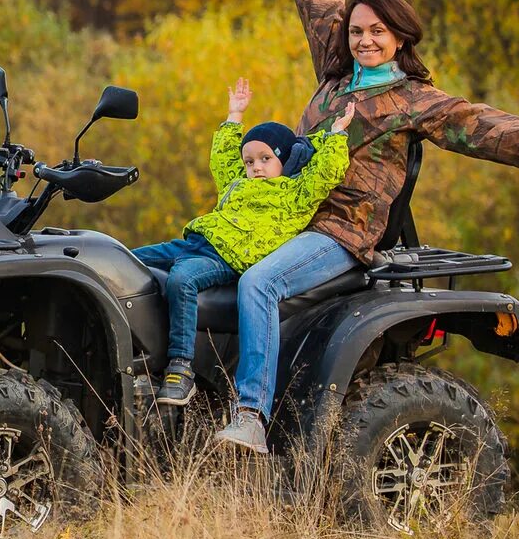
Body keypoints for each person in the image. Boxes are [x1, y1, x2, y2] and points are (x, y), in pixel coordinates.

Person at [217, 0, 519, 455]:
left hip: (343, 234)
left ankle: (251, 415)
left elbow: (483, 126)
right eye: (358, 32)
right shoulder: (335, 78)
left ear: (400, 38)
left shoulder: (413, 100)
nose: (365, 39)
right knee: (199, 264)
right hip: (290, 219)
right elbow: (322, 5)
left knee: (260, 282)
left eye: (378, 31)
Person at [134, 79, 354, 437]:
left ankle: (180, 367)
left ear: (286, 160)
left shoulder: (295, 192)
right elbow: (222, 161)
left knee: (183, 279)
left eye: (266, 159)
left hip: (228, 256)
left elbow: (324, 173)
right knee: (127, 261)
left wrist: (337, 135)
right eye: (250, 160)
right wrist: (234, 115)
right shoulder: (237, 182)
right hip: (199, 240)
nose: (256, 166)